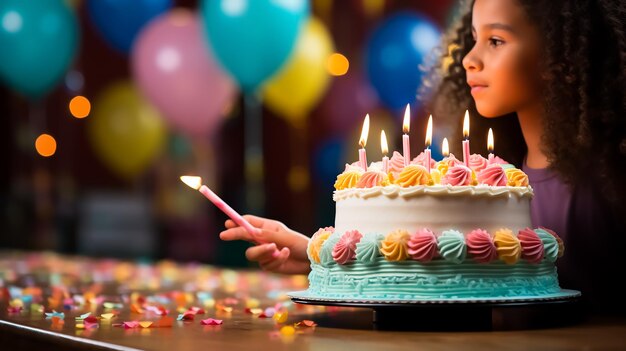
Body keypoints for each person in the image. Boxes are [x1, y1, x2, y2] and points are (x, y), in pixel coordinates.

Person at [220, 0, 626, 314]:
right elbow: (443, 272)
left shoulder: (606, 186)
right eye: (473, 38)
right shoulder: (496, 183)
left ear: (560, 55)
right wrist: (317, 257)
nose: (470, 58)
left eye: (496, 40)